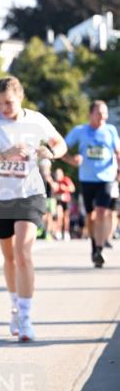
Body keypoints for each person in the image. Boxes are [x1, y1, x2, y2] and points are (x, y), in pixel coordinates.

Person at [0, 75, 67, 341]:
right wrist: (4, 154)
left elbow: (60, 144)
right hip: (1, 196)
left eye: (8, 103)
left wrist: (52, 152)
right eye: (0, 103)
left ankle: (26, 318)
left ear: (20, 97)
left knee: (23, 251)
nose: (3, 108)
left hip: (30, 193)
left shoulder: (36, 120)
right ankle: (14, 306)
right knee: (9, 257)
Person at [63, 100, 120, 268]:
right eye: (99, 113)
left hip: (106, 178)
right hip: (87, 178)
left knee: (101, 212)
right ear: (91, 114)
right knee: (90, 216)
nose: (103, 116)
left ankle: (100, 250)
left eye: (105, 113)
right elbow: (62, 147)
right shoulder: (80, 131)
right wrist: (70, 160)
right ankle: (94, 245)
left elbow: (117, 151)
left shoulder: (110, 130)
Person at [52, 167, 76, 240]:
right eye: (56, 174)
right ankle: (58, 232)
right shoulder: (56, 182)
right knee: (59, 216)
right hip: (59, 200)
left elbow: (72, 189)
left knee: (66, 217)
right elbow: (54, 193)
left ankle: (66, 232)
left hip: (66, 200)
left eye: (58, 174)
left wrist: (64, 188)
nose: (57, 176)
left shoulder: (66, 179)